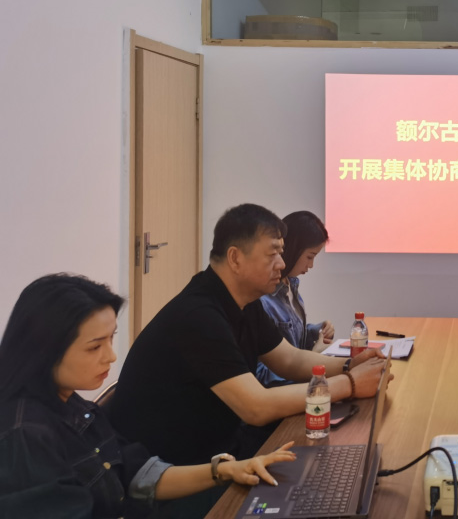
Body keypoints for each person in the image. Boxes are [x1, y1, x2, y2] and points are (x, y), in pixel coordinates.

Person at [109, 204, 389, 473]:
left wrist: (350, 365)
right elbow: (256, 407)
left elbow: (289, 359)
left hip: (222, 448)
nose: (282, 263)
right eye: (273, 254)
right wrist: (350, 383)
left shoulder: (245, 301)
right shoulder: (198, 316)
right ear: (235, 258)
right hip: (175, 469)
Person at [0, 274, 296, 518]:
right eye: (95, 347)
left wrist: (226, 470)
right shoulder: (25, 436)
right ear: (45, 348)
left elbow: (138, 475)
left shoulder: (70, 402)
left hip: (146, 507)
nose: (111, 356)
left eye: (111, 339)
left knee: (280, 495)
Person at [256, 210, 335, 387]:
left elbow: (292, 340)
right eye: (310, 257)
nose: (311, 265)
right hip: (285, 392)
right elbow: (261, 375)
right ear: (292, 249)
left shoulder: (291, 285)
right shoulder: (262, 300)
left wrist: (317, 332)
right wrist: (314, 357)